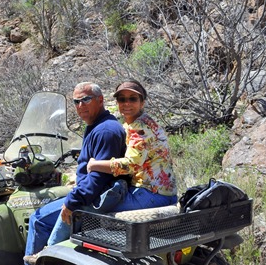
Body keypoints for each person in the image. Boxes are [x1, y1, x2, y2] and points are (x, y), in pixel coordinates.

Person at [3, 82, 127, 265]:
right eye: (76, 102)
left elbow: (98, 179)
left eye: (86, 100)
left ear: (100, 100)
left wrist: (72, 202)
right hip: (96, 192)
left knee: (39, 219)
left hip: (96, 197)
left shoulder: (105, 131)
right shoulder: (98, 125)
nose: (80, 106)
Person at [45, 79, 178, 246]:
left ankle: (49, 249)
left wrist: (95, 165)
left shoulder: (140, 128)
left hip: (150, 194)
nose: (126, 103)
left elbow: (130, 165)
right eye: (122, 99)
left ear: (142, 102)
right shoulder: (141, 122)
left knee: (81, 207)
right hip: (160, 192)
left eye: (132, 99)